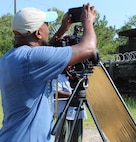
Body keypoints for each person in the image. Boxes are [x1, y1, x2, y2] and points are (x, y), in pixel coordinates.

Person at [0, 3, 96, 142]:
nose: (48, 28)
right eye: (46, 24)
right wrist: (88, 22)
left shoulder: (10, 58)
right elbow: (88, 48)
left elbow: (45, 54)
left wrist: (62, 29)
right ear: (38, 33)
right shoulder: (32, 59)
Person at [51, 70, 87, 142]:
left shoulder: (79, 76)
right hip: (65, 113)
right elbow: (56, 92)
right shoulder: (58, 76)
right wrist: (72, 95)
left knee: (77, 138)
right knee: (64, 137)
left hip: (78, 112)